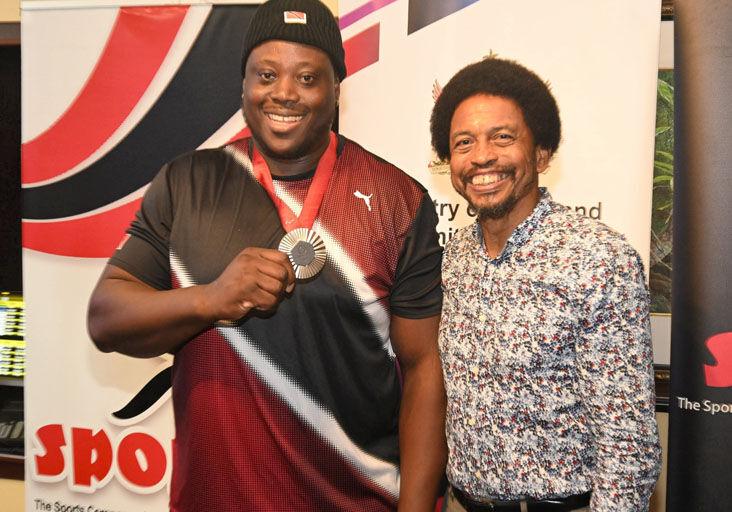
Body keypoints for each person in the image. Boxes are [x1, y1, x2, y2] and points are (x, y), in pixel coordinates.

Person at [87, 1, 446, 510]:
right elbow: (106, 318)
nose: (283, 92)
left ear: (335, 89)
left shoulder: (398, 198)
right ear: (243, 84)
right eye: (266, 74)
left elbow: (423, 366)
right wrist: (211, 299)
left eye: (307, 76)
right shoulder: (187, 182)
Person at [430, 57, 661, 512]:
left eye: (503, 137)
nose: (481, 157)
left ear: (541, 153)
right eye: (463, 142)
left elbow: (628, 445)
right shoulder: (455, 258)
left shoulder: (599, 259)